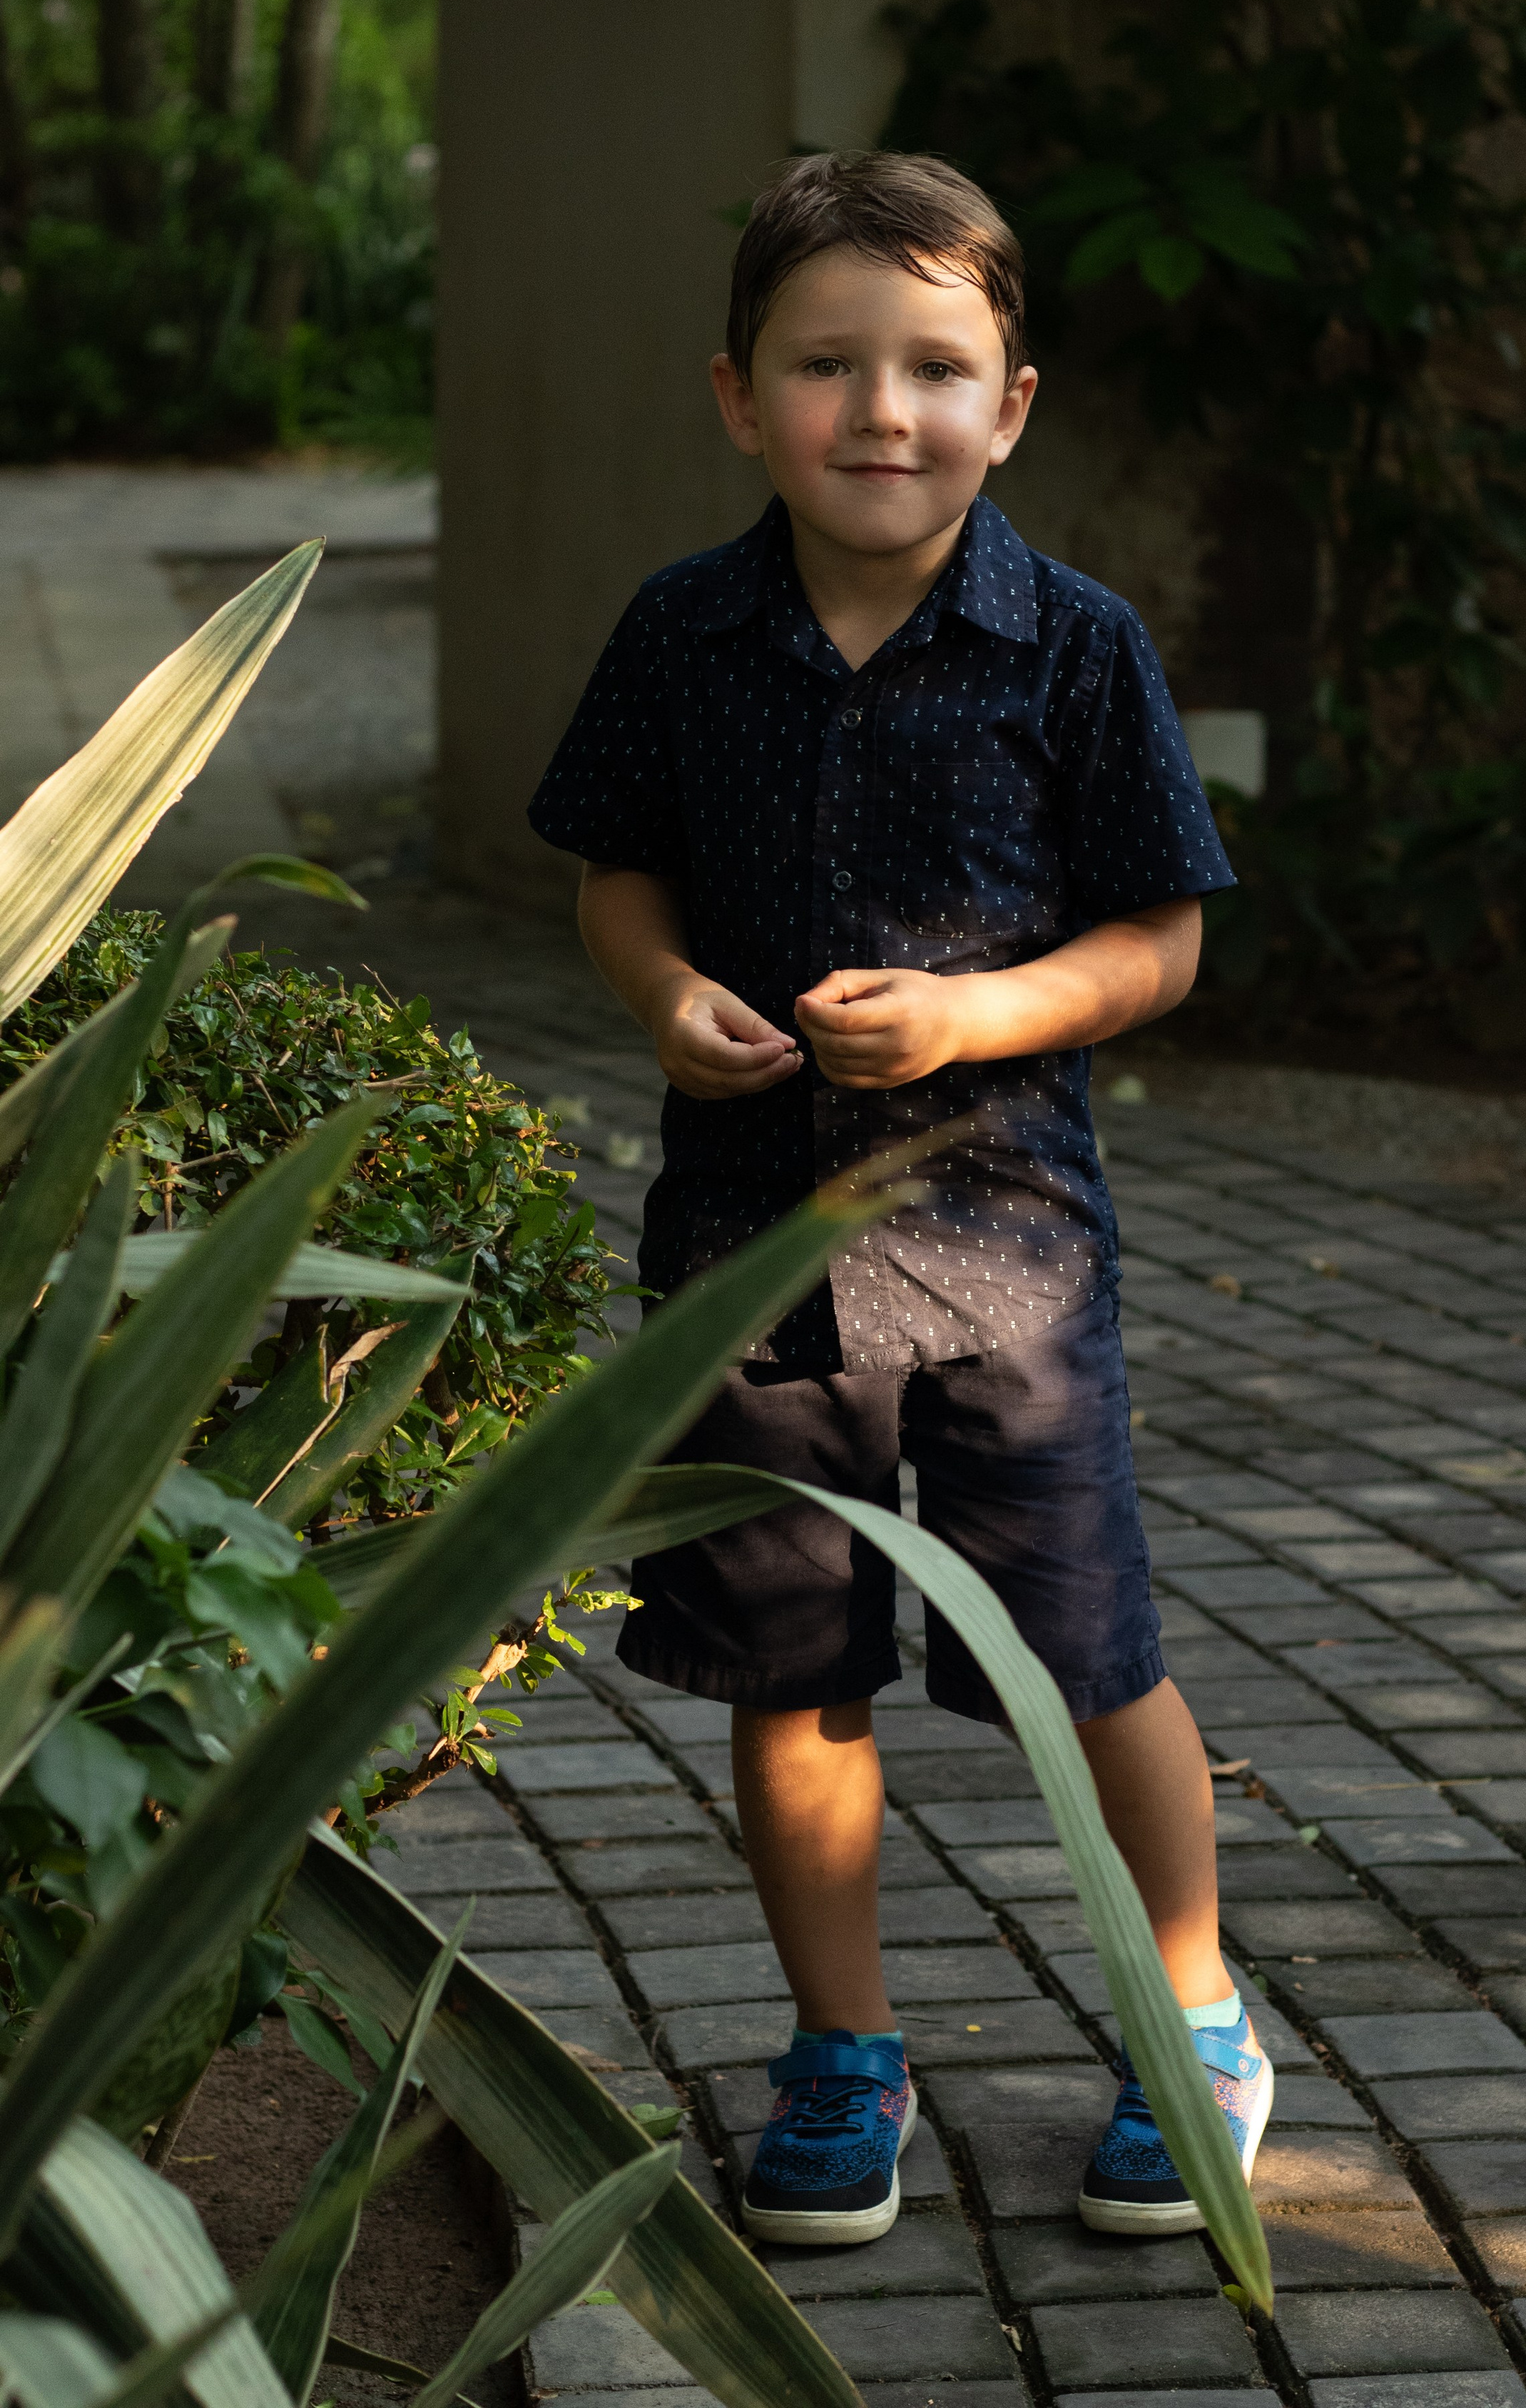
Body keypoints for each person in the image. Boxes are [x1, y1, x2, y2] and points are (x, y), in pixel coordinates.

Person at [528, 149, 1272, 2249]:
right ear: (737, 395)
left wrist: (978, 1017)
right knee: (794, 1671)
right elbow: (615, 874)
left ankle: (1193, 2014)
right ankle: (843, 2051)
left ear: (1011, 402)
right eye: (828, 364)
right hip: (752, 1261)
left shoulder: (1075, 645)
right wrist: (668, 992)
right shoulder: (685, 636)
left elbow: (1163, 939)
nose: (883, 410)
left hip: (1009, 1257)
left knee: (1090, 1647)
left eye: (936, 366)